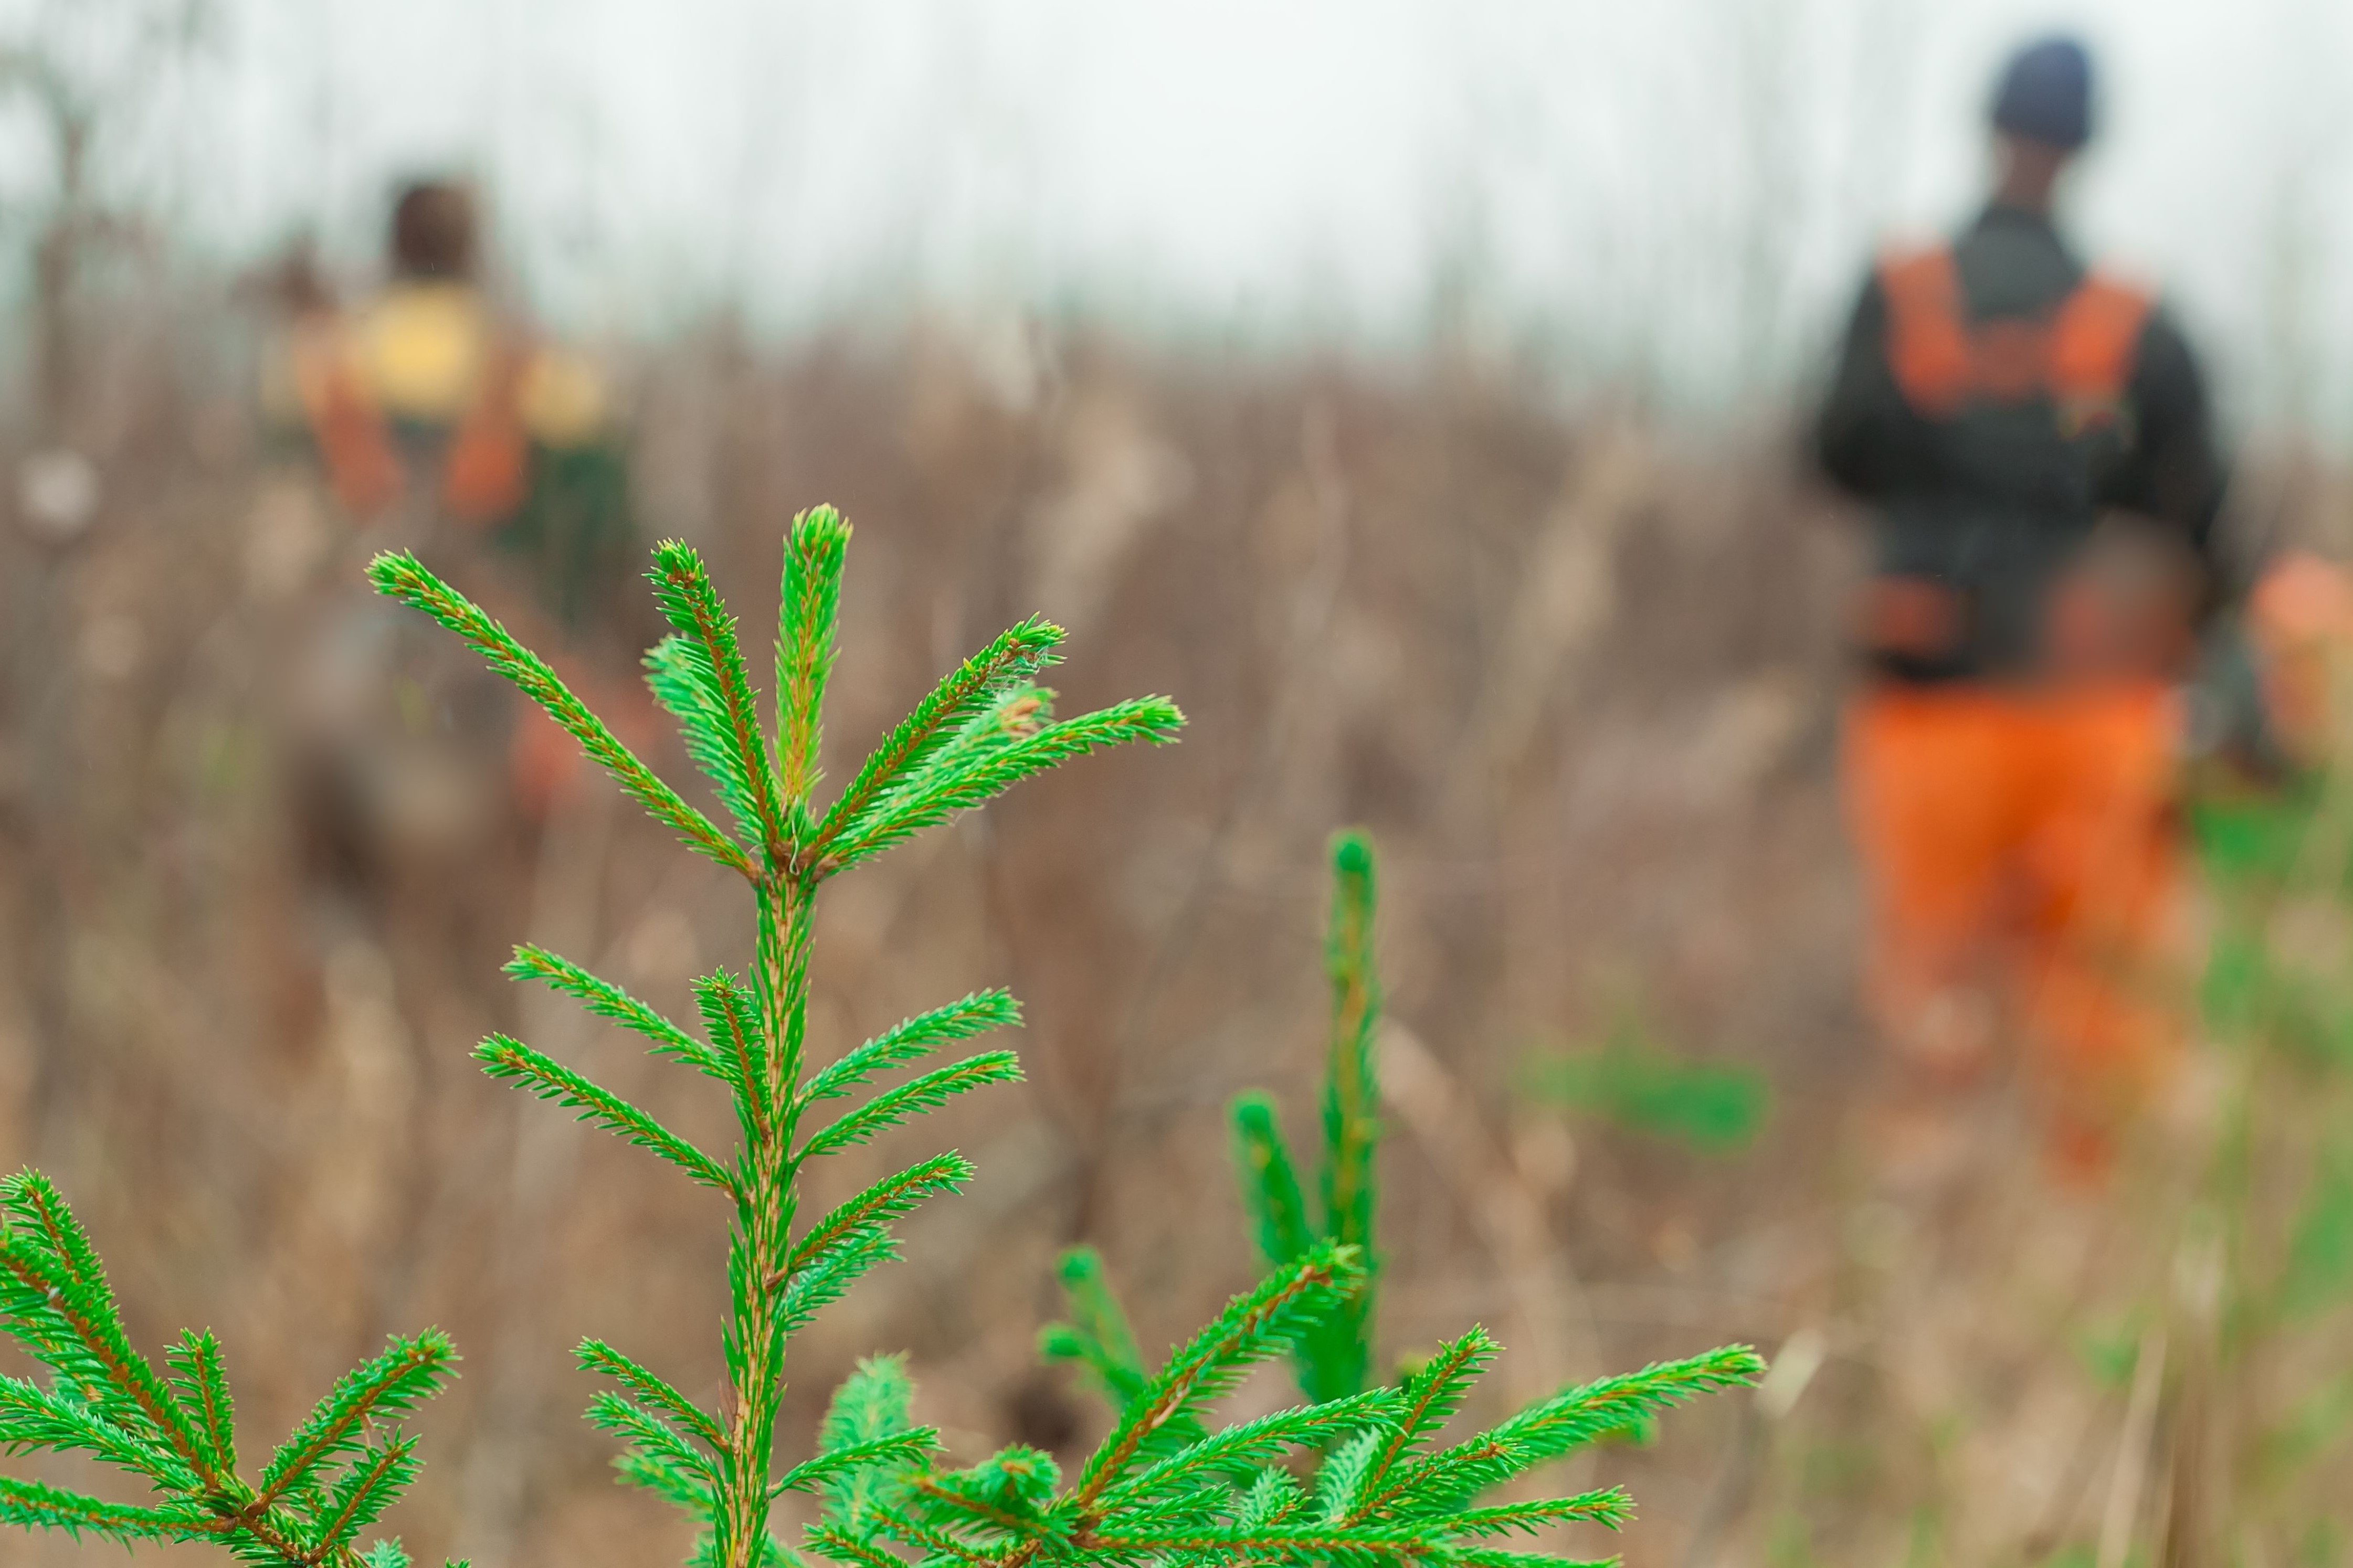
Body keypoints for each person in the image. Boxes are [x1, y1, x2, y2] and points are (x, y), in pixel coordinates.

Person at [1814, 36, 2229, 1181]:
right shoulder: (2138, 324)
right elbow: (2203, 526)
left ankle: (1911, 1285)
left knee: (1927, 1021)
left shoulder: (1901, 298)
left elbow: (1833, 456)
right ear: (2088, 144)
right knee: (2107, 1050)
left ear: (1988, 125)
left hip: (1925, 725)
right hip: (2095, 728)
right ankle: (2082, 1298)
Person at [280, 178, 631, 634]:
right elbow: (591, 432)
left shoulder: (327, 352)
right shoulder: (523, 353)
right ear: (471, 248)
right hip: (496, 611)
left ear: (393, 245)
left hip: (352, 602)